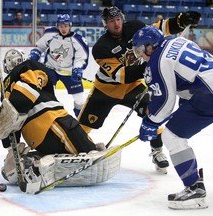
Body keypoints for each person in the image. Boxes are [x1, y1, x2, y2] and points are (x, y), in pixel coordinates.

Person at [132, 25, 213, 209]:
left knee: (171, 136)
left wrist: (149, 123)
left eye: (140, 50)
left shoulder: (157, 60)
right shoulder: (176, 40)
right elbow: (189, 75)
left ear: (150, 46)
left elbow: (165, 103)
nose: (140, 55)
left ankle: (194, 189)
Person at [77, 6, 201, 174]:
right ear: (105, 24)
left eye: (118, 19)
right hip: (106, 90)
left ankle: (157, 151)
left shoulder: (135, 27)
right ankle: (75, 151)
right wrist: (151, 64)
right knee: (82, 126)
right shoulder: (101, 48)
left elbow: (161, 28)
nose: (116, 23)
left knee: (153, 113)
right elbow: (122, 76)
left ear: (122, 18)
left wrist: (181, 21)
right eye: (111, 21)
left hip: (133, 87)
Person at [0, 49, 121, 193]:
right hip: (50, 121)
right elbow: (29, 90)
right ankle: (89, 149)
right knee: (75, 133)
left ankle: (35, 160)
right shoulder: (29, 66)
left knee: (66, 145)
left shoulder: (5, 92)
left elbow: (9, 123)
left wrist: (12, 148)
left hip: (35, 139)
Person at [29, 14, 89, 117]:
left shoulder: (78, 40)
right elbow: (40, 46)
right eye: (61, 26)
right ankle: (43, 116)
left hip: (69, 71)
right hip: (50, 68)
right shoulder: (50, 34)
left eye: (65, 26)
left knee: (80, 100)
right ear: (57, 26)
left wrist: (78, 68)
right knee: (46, 94)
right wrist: (36, 53)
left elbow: (81, 58)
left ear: (70, 26)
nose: (63, 28)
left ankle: (81, 120)